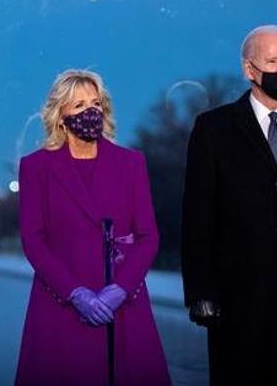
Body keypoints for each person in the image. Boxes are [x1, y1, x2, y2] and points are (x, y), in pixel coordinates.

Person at [14, 69, 170, 386]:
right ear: (60, 116)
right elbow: (33, 240)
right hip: (61, 305)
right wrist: (76, 294)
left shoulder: (131, 163)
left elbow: (148, 236)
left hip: (123, 305)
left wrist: (120, 289)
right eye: (79, 105)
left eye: (96, 103)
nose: (91, 111)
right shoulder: (36, 167)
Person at [182, 25, 277, 384]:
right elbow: (198, 215)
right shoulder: (213, 129)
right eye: (272, 61)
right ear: (249, 70)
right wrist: (200, 292)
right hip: (239, 298)